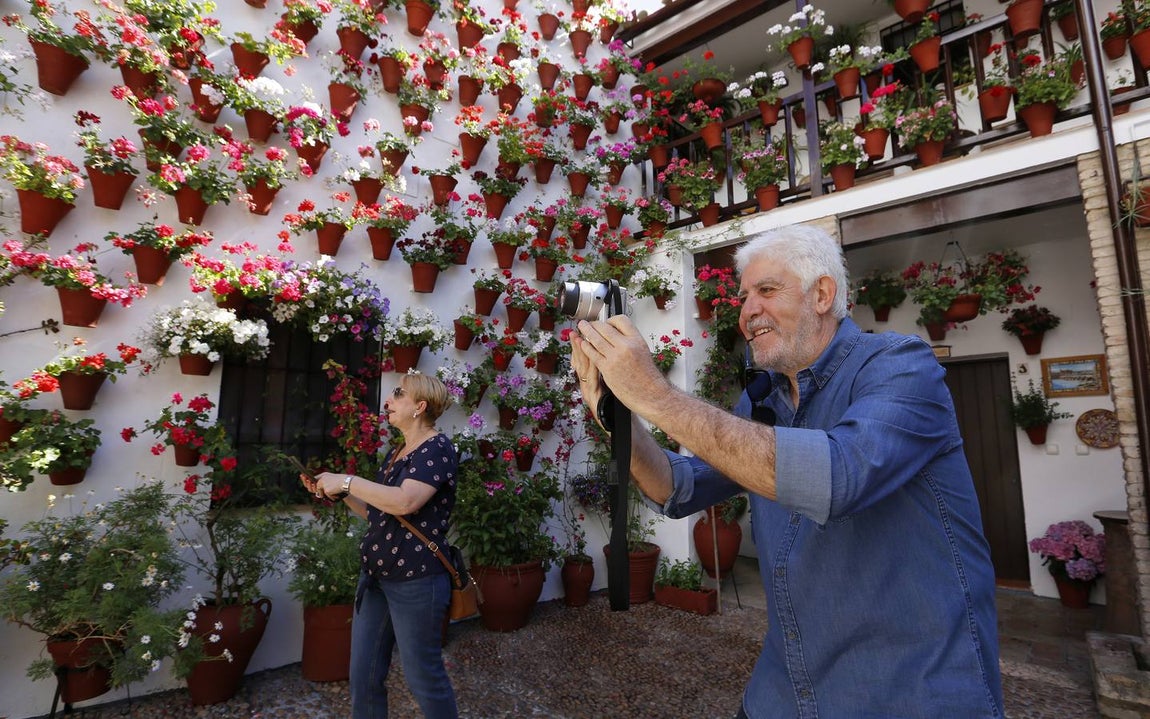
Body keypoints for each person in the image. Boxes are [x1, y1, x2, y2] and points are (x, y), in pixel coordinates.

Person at [570, 225, 1004, 718]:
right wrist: (617, 415)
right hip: (782, 694)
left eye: (767, 290)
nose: (747, 311)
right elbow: (677, 487)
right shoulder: (764, 401)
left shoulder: (901, 366)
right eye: (743, 297)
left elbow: (838, 476)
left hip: (903, 696)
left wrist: (653, 393)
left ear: (822, 294)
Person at [307, 372, 459, 719]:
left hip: (417, 582)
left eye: (398, 394)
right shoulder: (396, 452)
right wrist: (339, 492)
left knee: (424, 679)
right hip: (376, 577)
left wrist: (348, 480)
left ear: (420, 406)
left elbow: (405, 501)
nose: (387, 402)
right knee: (363, 675)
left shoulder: (438, 448)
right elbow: (377, 512)